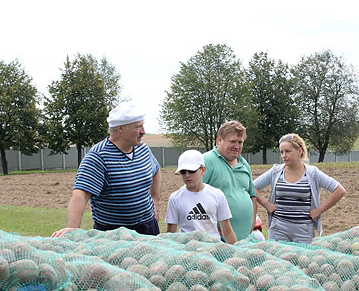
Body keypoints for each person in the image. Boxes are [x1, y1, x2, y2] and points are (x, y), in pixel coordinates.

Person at [52, 102, 161, 237]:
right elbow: (80, 194)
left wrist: (155, 201)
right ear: (120, 128)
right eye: (138, 127)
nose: (143, 131)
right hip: (112, 235)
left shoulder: (143, 149)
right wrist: (72, 229)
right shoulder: (98, 157)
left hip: (148, 228)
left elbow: (155, 169)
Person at [254, 133, 346, 244]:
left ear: (300, 151)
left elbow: (339, 190)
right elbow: (252, 187)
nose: (284, 155)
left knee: (302, 260)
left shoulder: (312, 173)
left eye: (288, 151)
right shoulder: (276, 171)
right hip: (278, 229)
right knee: (278, 260)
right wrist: (266, 204)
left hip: (304, 230)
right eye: (282, 152)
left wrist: (319, 210)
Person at [165, 149, 237, 244]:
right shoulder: (175, 198)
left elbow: (227, 231)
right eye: (183, 172)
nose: (187, 175)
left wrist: (235, 250)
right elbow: (171, 234)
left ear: (203, 170)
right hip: (187, 250)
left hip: (213, 249)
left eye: (191, 171)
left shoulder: (217, 195)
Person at [202, 121, 257, 241]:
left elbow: (252, 196)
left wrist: (252, 221)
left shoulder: (244, 164)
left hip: (244, 237)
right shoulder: (206, 161)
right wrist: (208, 227)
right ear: (220, 140)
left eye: (240, 142)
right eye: (233, 141)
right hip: (216, 239)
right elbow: (195, 196)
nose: (237, 146)